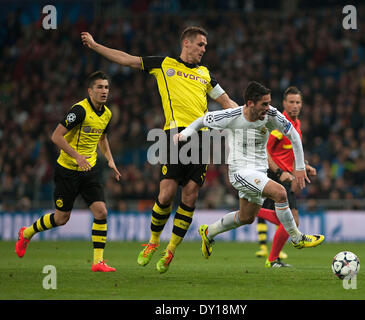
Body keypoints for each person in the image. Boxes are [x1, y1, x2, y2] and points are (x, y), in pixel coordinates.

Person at [81, 26, 238, 273]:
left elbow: (228, 103)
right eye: (200, 45)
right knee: (165, 195)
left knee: (191, 194)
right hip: (174, 135)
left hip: (202, 137)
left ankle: (171, 250)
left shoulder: (205, 74)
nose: (204, 49)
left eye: (205, 46)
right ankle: (153, 242)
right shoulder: (164, 64)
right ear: (186, 43)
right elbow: (127, 59)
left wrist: (251, 118)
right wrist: (96, 45)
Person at [174, 81, 324, 262]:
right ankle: (297, 238)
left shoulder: (271, 115)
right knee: (280, 193)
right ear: (250, 103)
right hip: (240, 172)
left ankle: (208, 231)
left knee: (246, 217)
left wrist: (300, 167)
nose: (268, 108)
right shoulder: (232, 116)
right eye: (264, 104)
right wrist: (184, 134)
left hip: (259, 171)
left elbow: (293, 135)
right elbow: (201, 121)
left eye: (269, 103)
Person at [15, 71, 121, 272]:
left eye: (106, 87)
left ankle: (98, 262)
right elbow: (56, 136)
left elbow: (102, 138)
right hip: (68, 171)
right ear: (90, 91)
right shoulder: (79, 111)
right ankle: (27, 233)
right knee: (62, 218)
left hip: (89, 170)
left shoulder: (107, 113)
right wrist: (77, 156)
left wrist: (110, 160)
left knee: (101, 212)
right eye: (99, 87)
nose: (104, 91)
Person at [256, 86, 317, 268]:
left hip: (286, 177)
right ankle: (273, 259)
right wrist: (278, 172)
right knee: (292, 220)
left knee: (288, 220)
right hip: (275, 177)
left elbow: (287, 153)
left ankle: (273, 259)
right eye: (291, 102)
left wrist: (303, 166)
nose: (295, 106)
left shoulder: (296, 124)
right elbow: (264, 150)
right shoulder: (279, 124)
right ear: (284, 103)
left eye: (298, 102)